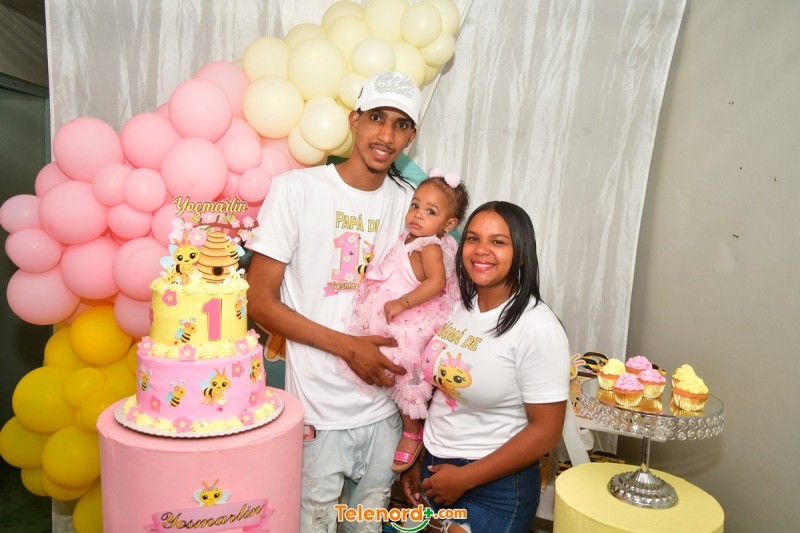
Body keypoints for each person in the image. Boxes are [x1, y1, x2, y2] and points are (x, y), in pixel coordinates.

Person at [246, 71, 422, 532]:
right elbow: (258, 301)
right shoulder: (297, 190)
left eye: (401, 124)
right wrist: (349, 347)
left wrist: (417, 420)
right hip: (318, 415)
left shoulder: (411, 205)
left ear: (411, 137)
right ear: (355, 120)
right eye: (377, 118)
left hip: (386, 414)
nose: (386, 135)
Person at [400, 201, 571, 533]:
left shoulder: (538, 327)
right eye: (473, 238)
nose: (481, 250)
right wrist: (419, 455)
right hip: (437, 470)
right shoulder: (459, 307)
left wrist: (464, 478)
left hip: (494, 486)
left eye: (498, 242)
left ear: (521, 254)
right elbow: (442, 392)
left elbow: (546, 431)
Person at [342, 168, 470, 474]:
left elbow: (436, 282)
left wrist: (403, 303)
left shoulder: (429, 246)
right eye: (415, 205)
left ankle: (413, 430)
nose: (418, 214)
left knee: (406, 366)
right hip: (403, 305)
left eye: (430, 211)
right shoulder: (415, 237)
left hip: (416, 313)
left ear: (449, 225)